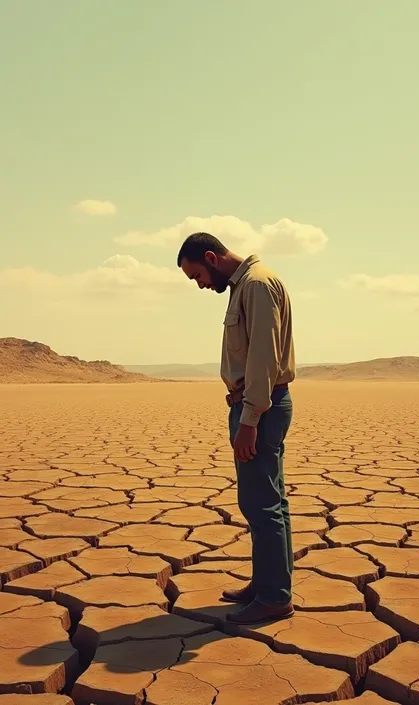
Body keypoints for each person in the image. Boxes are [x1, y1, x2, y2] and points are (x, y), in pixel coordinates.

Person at [177, 232, 296, 625]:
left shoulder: (257, 285)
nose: (200, 285)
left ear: (211, 258)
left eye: (197, 276)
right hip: (257, 405)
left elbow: (262, 358)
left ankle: (275, 597)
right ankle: (266, 585)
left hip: (258, 408)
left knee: (261, 505)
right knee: (268, 503)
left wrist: (249, 420)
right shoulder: (245, 284)